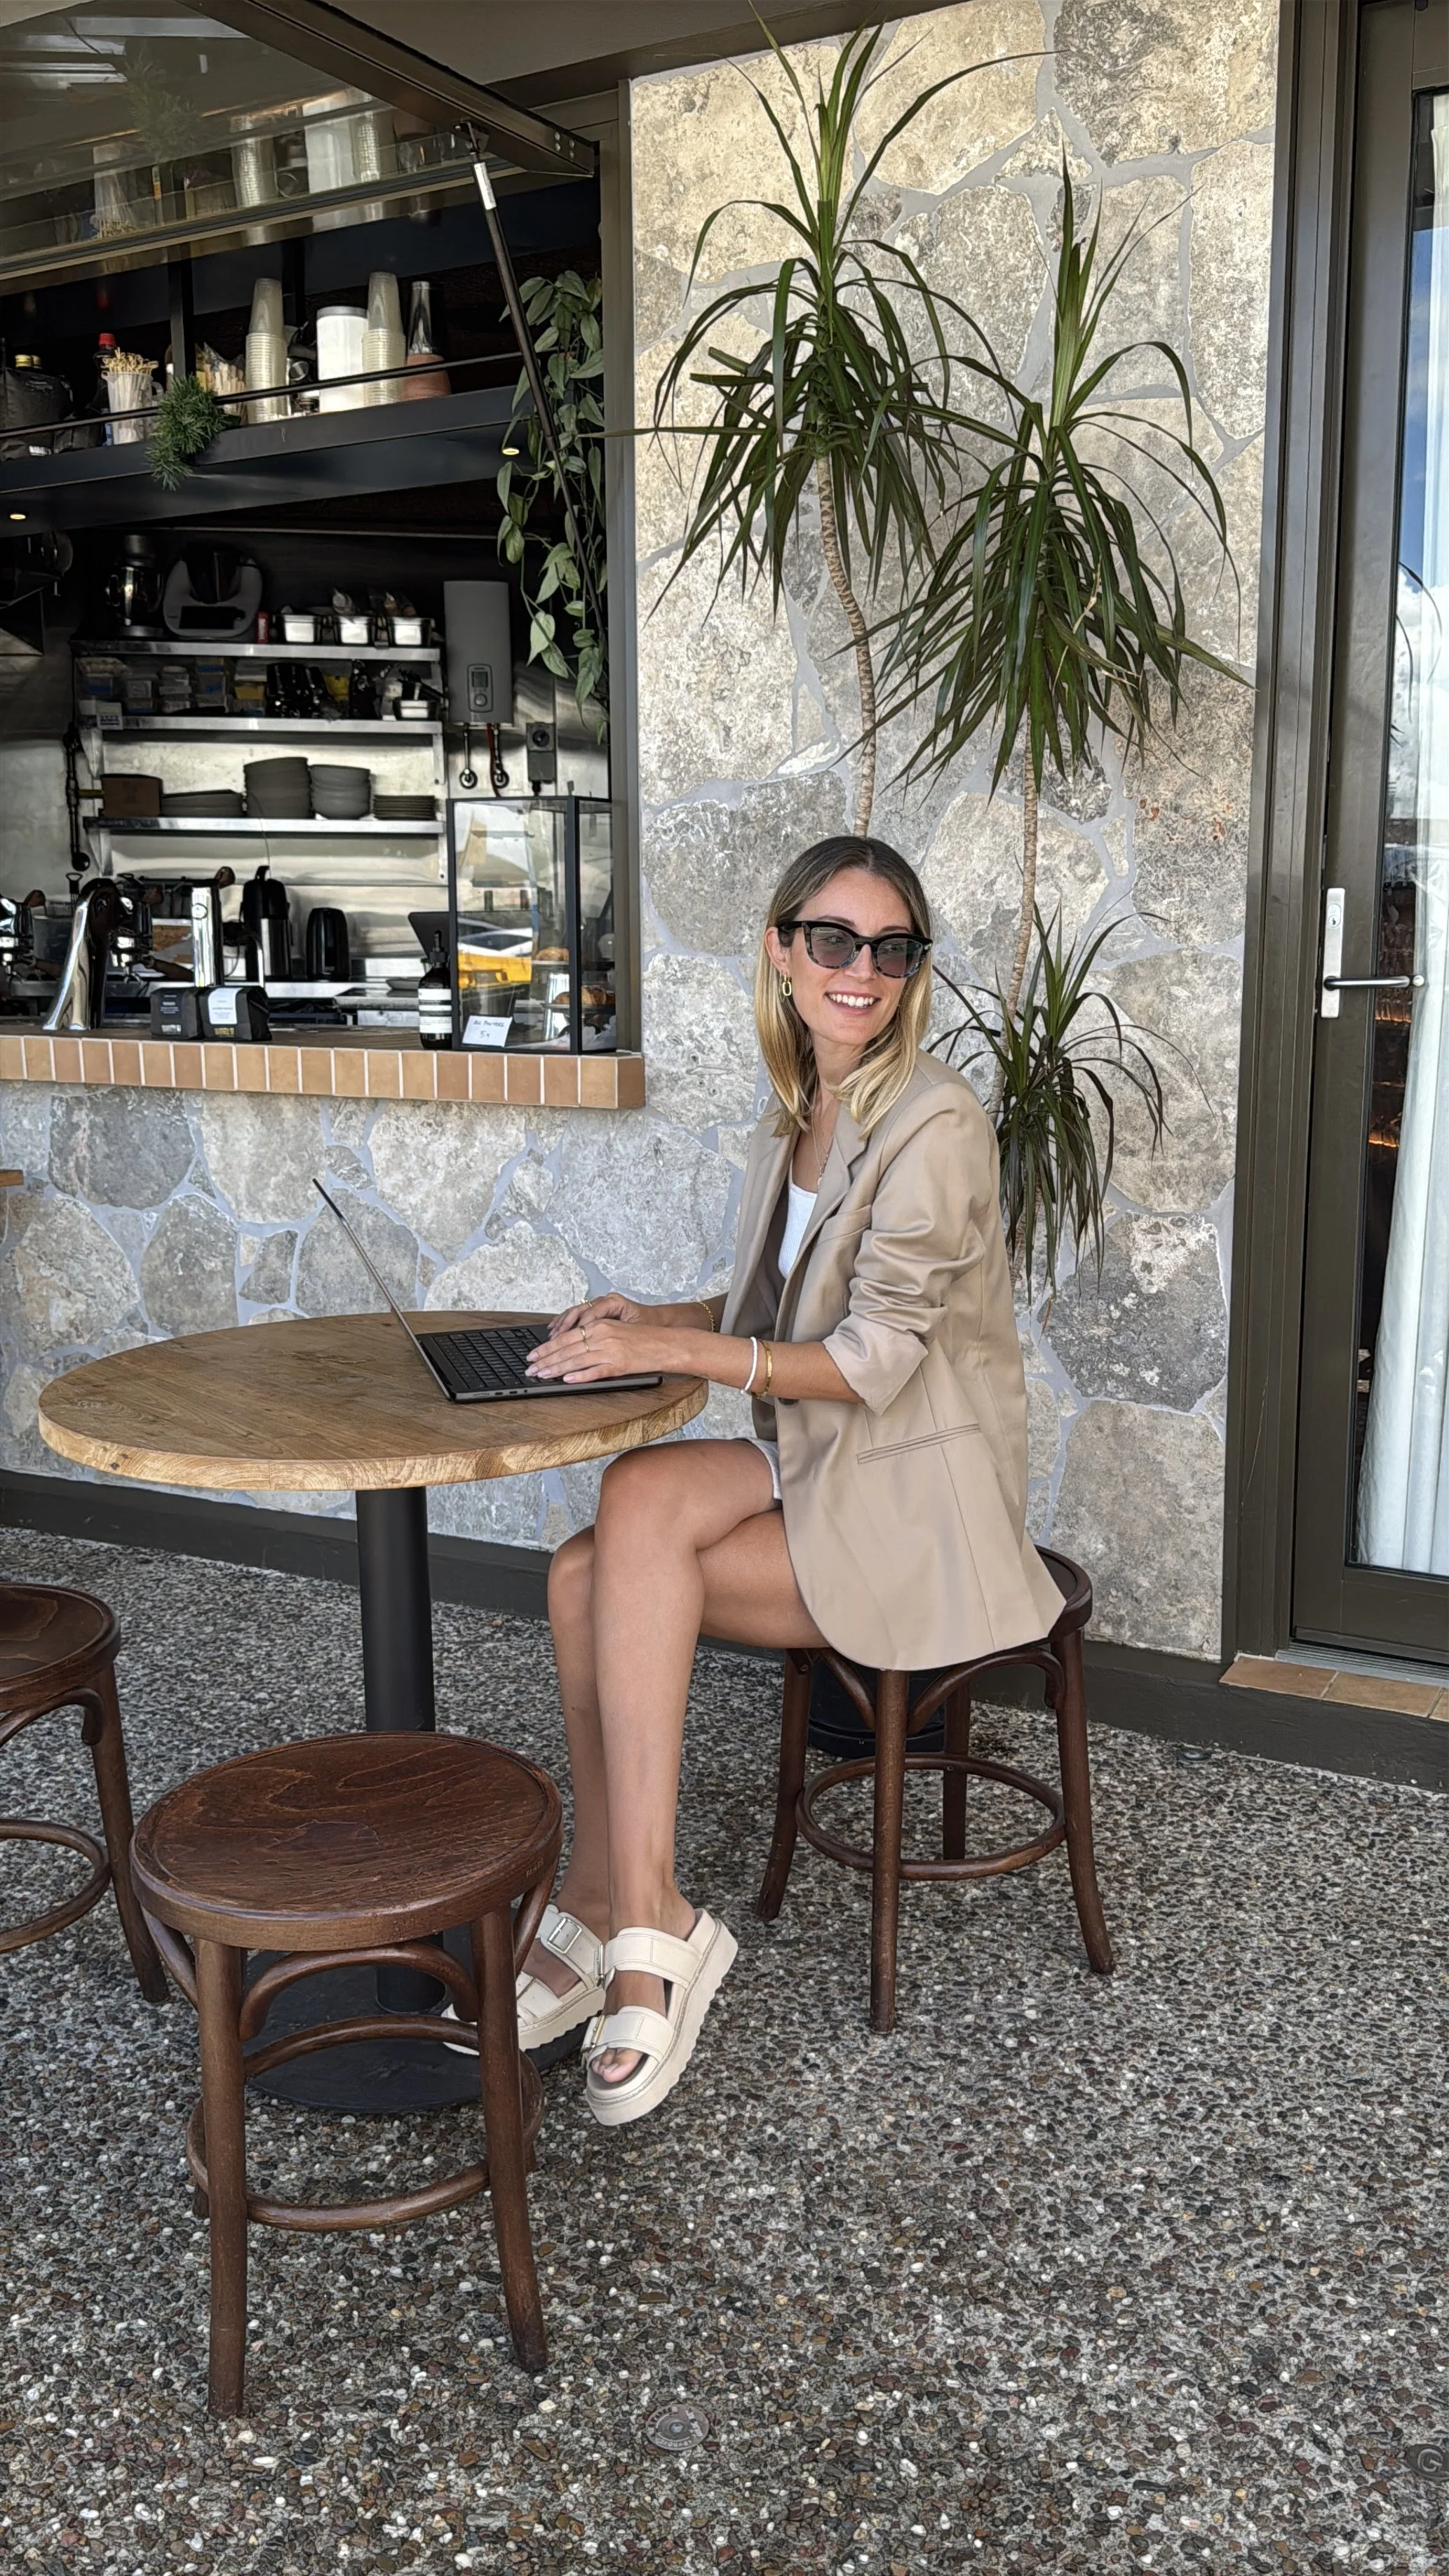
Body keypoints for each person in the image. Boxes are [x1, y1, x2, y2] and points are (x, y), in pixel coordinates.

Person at [521, 834, 1063, 2126]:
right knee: (597, 1546)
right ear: (780, 950)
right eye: (832, 940)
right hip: (817, 1462)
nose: (859, 969)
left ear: (911, 970)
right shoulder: (804, 1105)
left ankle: (639, 1918)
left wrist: (669, 1353)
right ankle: (616, 1897)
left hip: (916, 1501)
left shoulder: (936, 1122)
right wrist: (653, 1314)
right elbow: (776, 1307)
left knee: (612, 1546)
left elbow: (870, 1357)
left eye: (890, 949)